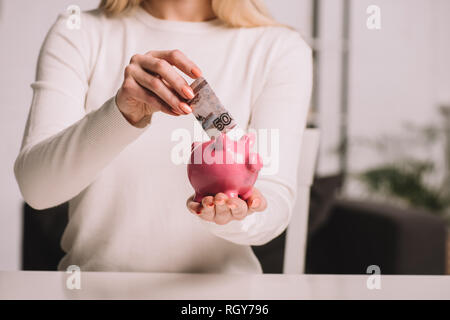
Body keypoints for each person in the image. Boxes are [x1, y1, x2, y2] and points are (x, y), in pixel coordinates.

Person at [14, 0, 312, 273]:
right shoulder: (79, 31)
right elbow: (38, 189)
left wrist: (233, 215)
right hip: (97, 292)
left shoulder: (278, 48)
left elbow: (273, 202)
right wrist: (121, 115)